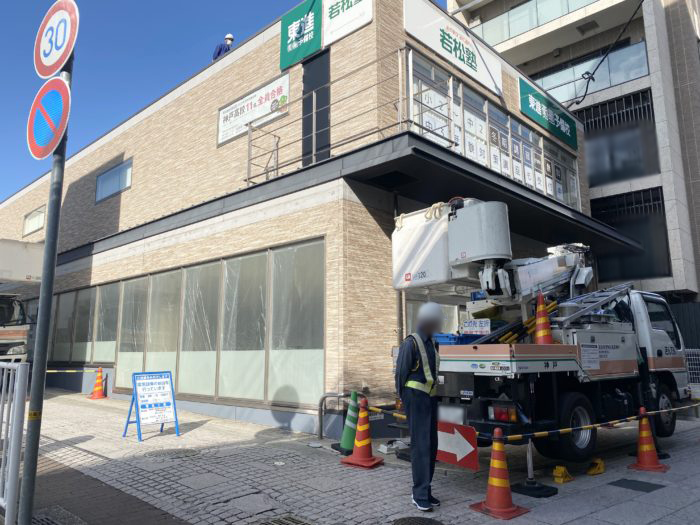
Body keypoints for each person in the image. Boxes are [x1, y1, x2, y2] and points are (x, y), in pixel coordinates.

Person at [395, 302, 443, 512]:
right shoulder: (411, 343)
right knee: (421, 446)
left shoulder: (433, 343)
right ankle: (419, 494)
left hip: (430, 400)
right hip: (415, 398)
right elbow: (400, 375)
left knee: (431, 445)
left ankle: (426, 489)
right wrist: (404, 401)